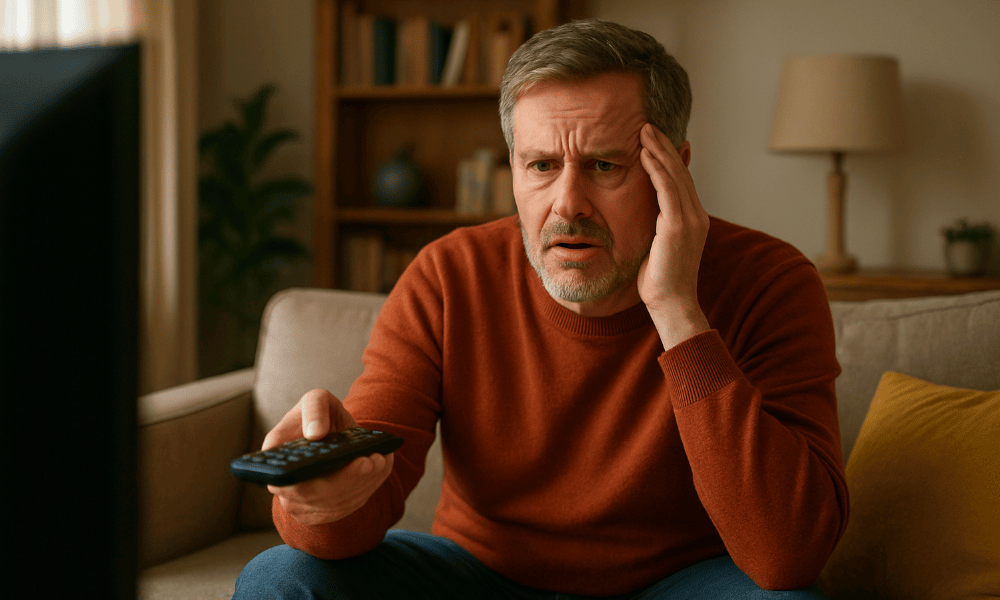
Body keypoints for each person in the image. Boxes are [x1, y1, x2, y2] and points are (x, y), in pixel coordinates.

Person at [233, 19, 848, 600]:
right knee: (281, 577)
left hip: (677, 582)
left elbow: (787, 554)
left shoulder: (772, 281)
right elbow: (363, 501)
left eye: (605, 165)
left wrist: (679, 313)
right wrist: (321, 504)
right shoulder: (449, 275)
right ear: (513, 170)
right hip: (481, 578)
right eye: (542, 166)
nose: (568, 204)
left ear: (675, 173)